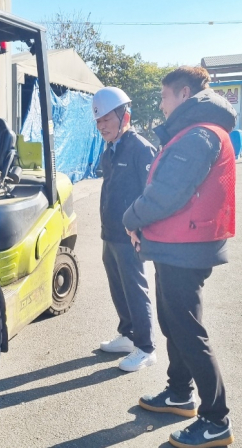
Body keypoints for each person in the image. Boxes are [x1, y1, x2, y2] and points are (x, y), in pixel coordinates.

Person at [123, 66, 236, 448]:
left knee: (187, 330)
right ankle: (179, 393)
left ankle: (216, 420)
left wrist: (131, 218)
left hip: (185, 248)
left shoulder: (199, 135)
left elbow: (166, 193)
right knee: (175, 324)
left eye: (164, 96)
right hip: (178, 245)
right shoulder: (197, 131)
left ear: (184, 94)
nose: (161, 104)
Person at [93, 87, 157, 372]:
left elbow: (151, 193)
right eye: (98, 121)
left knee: (135, 288)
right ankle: (128, 335)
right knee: (118, 285)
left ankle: (146, 348)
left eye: (107, 119)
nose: (102, 126)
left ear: (125, 117)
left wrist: (141, 228)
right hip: (110, 232)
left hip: (130, 234)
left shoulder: (140, 148)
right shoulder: (110, 150)